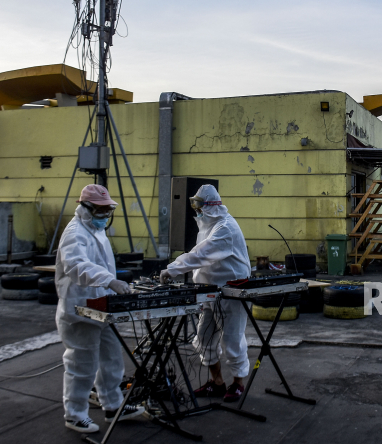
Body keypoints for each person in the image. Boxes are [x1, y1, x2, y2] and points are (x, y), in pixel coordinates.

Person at [55, 184, 144, 434]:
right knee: (82, 364)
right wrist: (110, 281)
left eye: (107, 210)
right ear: (85, 208)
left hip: (102, 307)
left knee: (112, 358)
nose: (105, 215)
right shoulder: (75, 233)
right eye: (101, 210)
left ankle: (113, 405)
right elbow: (76, 266)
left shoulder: (96, 230)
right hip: (80, 309)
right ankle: (74, 414)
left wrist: (109, 286)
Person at [159, 184, 251, 402]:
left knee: (232, 340)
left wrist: (173, 268)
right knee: (203, 338)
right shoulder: (209, 227)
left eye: (199, 205)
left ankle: (238, 383)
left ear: (211, 206)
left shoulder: (225, 227)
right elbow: (199, 254)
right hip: (210, 293)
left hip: (230, 292)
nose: (196, 210)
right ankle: (216, 382)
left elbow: (202, 254)